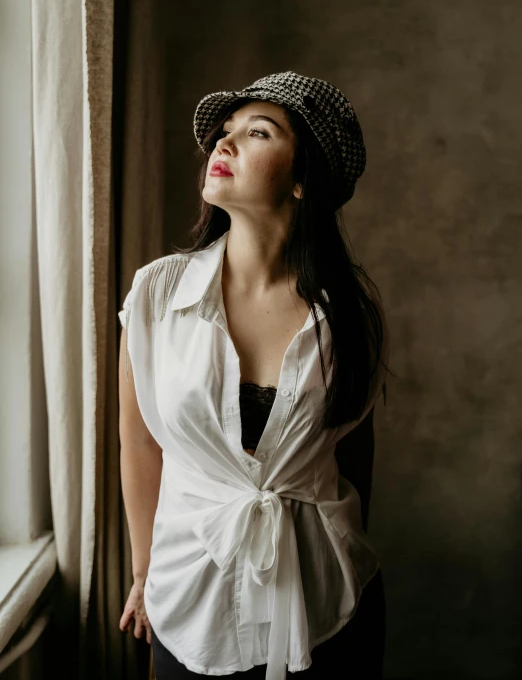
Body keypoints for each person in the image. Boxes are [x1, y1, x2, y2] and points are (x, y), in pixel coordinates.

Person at [118, 71, 391, 679]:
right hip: (189, 592)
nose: (224, 143)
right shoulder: (158, 293)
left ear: (302, 180)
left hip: (328, 601)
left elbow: (355, 448)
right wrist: (143, 571)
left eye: (257, 131)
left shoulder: (349, 315)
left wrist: (341, 549)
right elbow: (138, 440)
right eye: (224, 131)